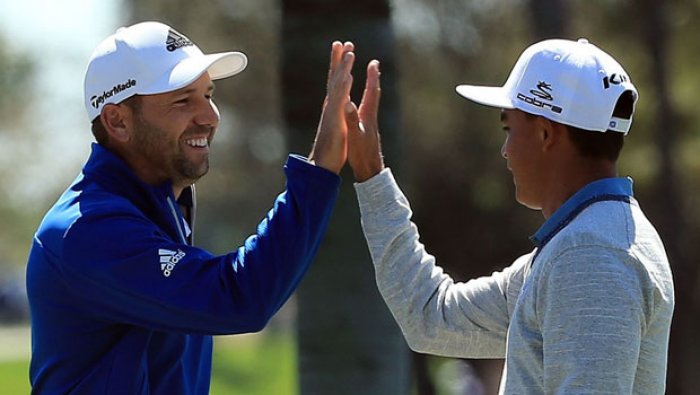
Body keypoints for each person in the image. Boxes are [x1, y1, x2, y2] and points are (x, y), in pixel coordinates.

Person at [26, 21, 357, 394]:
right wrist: (317, 174)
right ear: (117, 120)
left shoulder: (158, 208)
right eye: (183, 100)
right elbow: (238, 298)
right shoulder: (88, 230)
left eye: (208, 94)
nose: (210, 116)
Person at [346, 38, 675, 393]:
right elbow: (431, 318)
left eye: (508, 128)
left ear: (546, 133)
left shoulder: (589, 254)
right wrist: (371, 172)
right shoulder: (581, 245)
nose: (505, 150)